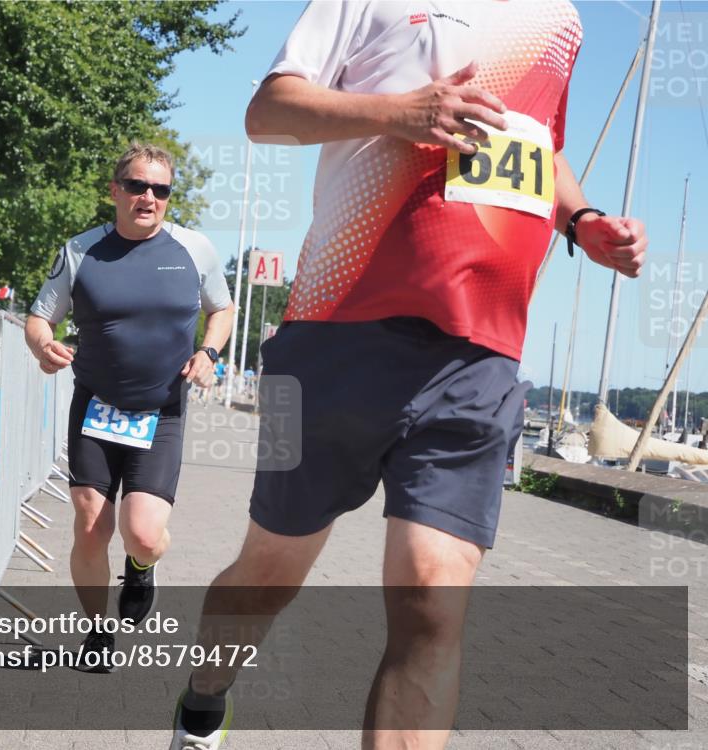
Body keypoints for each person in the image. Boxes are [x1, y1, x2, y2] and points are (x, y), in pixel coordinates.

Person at [170, 2, 647, 748]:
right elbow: (269, 113)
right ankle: (204, 699)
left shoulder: (560, 19)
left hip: (482, 356)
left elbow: (540, 147)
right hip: (334, 336)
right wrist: (400, 114)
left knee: (432, 597)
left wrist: (582, 220)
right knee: (269, 573)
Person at [25, 143, 234, 672]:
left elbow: (223, 309)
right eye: (138, 186)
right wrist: (43, 345)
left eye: (160, 190)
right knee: (90, 523)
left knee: (142, 532)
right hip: (96, 406)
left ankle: (141, 566)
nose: (149, 197)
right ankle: (98, 631)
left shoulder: (195, 249)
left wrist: (209, 352)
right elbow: (40, 317)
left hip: (160, 412)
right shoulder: (82, 250)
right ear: (115, 190)